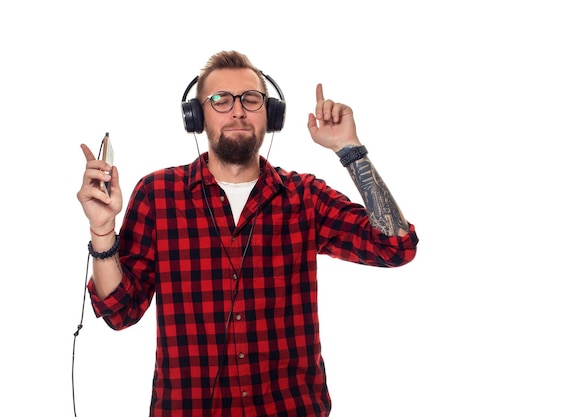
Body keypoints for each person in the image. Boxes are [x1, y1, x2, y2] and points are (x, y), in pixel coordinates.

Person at [77, 50, 419, 417]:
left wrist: (349, 150)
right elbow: (119, 312)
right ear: (197, 117)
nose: (237, 110)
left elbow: (395, 246)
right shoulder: (158, 194)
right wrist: (102, 229)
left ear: (270, 115)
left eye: (251, 99)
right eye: (220, 100)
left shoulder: (304, 196)